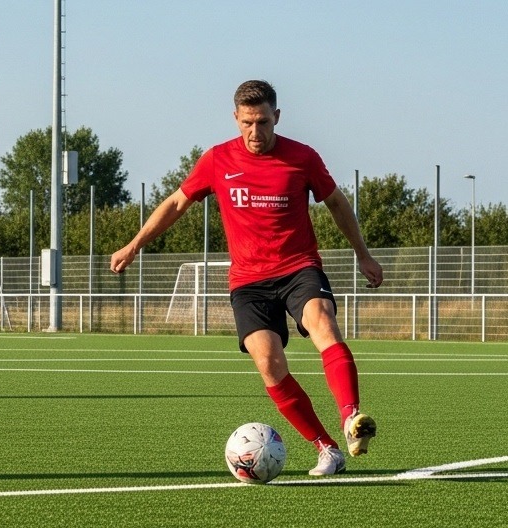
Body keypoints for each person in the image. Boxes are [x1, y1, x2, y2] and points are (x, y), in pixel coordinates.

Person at [109, 80, 381, 477]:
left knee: (322, 323)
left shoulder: (303, 157)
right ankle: (327, 449)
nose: (256, 132)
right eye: (248, 123)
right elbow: (177, 203)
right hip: (249, 282)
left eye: (264, 122)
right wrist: (134, 244)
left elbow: (337, 203)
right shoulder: (217, 159)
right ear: (236, 118)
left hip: (299, 267)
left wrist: (363, 254)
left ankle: (351, 416)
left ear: (277, 117)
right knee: (269, 363)